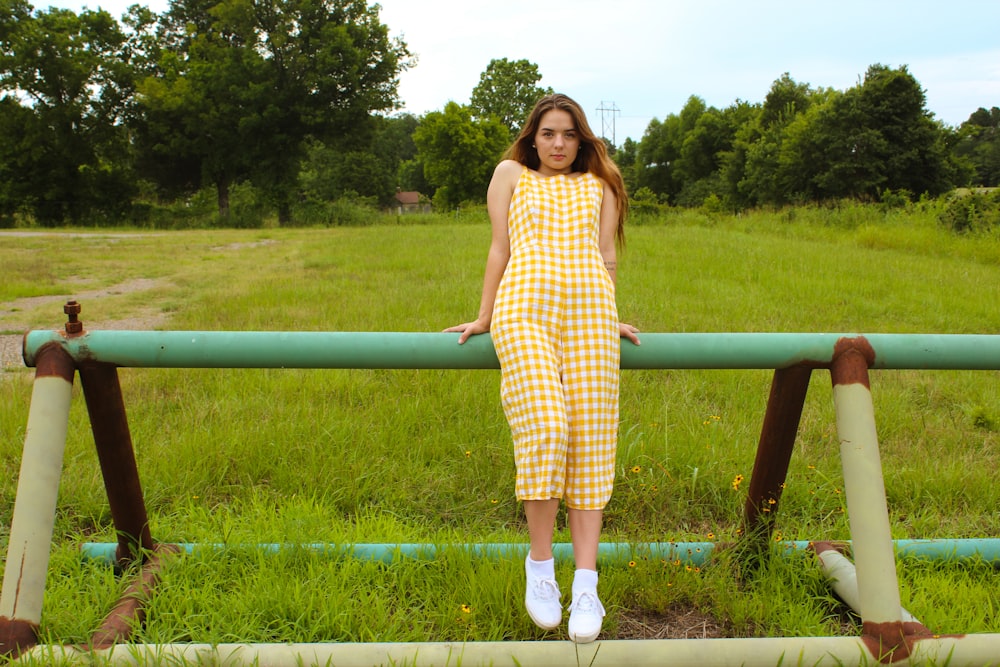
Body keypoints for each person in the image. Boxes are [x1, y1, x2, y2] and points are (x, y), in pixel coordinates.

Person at [445, 93, 639, 643]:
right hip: (524, 310)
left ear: (583, 140)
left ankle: (585, 583)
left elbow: (606, 257)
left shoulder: (601, 186)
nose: (558, 144)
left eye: (569, 135)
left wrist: (613, 316)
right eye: (549, 134)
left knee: (591, 443)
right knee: (548, 427)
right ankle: (539, 568)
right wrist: (483, 316)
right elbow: (499, 248)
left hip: (591, 317)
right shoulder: (511, 174)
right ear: (533, 137)